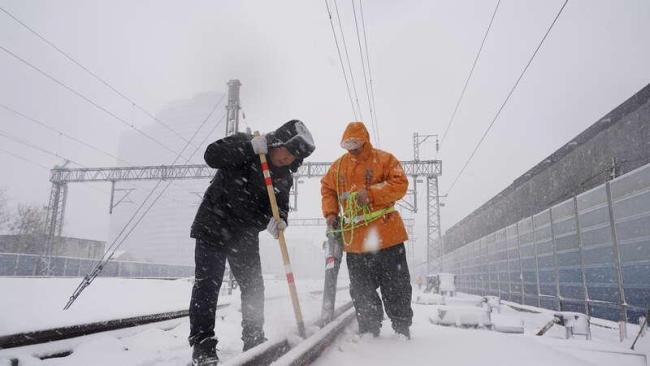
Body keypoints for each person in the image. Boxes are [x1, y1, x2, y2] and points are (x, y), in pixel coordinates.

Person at [189, 120, 315, 365]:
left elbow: (281, 208)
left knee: (254, 287)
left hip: (244, 234)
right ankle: (203, 346)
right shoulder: (246, 143)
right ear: (276, 143)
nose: (287, 159)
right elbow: (211, 155)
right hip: (213, 225)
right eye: (286, 152)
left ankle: (254, 338)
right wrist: (248, 148)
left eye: (293, 158)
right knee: (207, 286)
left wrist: (280, 221)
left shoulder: (283, 177)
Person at [320, 121, 413, 339]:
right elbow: (327, 189)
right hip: (356, 243)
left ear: (365, 141)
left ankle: (401, 329)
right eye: (348, 145)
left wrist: (371, 193)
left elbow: (400, 183)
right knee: (362, 290)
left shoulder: (385, 160)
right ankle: (369, 331)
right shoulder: (338, 168)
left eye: (356, 144)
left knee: (396, 286)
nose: (352, 149)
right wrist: (331, 214)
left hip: (387, 236)